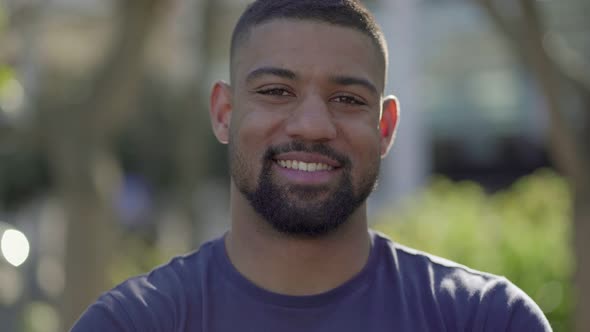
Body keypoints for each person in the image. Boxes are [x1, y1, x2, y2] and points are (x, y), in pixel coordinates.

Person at [71, 0, 552, 331]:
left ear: (385, 128)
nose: (312, 125)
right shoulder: (133, 323)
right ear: (224, 113)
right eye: (277, 92)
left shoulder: (485, 319)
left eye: (346, 98)